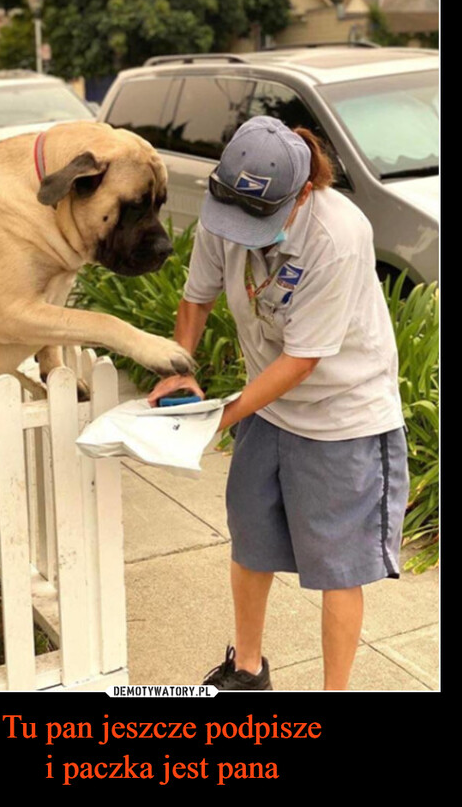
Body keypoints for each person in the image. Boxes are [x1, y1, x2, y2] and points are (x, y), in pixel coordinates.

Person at [148, 115, 409, 691]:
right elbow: (196, 301)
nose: (238, 230)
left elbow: (303, 359)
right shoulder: (229, 212)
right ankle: (247, 671)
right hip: (269, 407)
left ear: (303, 193)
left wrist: (220, 414)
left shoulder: (339, 235)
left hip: (343, 417)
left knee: (338, 567)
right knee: (252, 537)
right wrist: (178, 371)